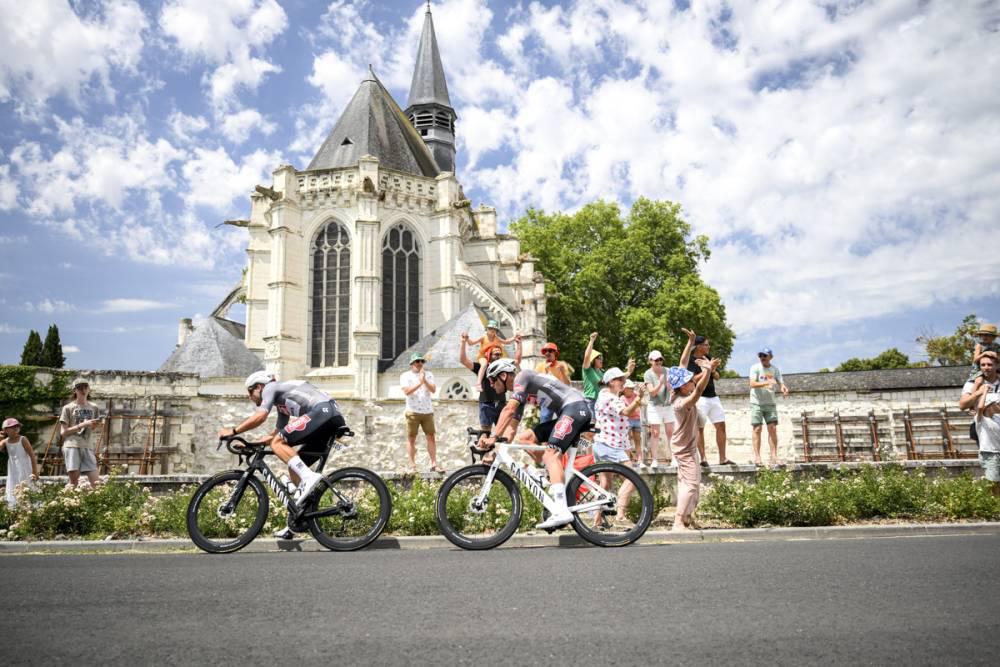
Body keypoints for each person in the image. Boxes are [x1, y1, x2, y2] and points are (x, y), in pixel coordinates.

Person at [219, 372, 347, 539]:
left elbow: (261, 416)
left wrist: (233, 431)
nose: (249, 397)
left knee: (282, 447)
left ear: (259, 386)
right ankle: (297, 522)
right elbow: (277, 434)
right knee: (294, 468)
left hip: (323, 411)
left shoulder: (271, 387)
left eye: (250, 392)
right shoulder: (282, 404)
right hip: (330, 416)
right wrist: (251, 443)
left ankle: (308, 478)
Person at [483, 360, 593, 530]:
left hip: (575, 408)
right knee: (525, 438)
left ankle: (561, 510)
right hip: (568, 411)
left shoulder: (523, 377)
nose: (491, 385)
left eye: (492, 380)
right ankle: (553, 481)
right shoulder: (520, 393)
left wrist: (492, 436)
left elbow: (508, 410)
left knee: (551, 454)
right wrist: (494, 451)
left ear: (504, 375)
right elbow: (511, 431)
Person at [668, 350, 720, 532]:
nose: (693, 381)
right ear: (683, 386)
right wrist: (706, 371)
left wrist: (690, 345)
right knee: (690, 484)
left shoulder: (678, 393)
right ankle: (678, 521)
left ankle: (688, 518)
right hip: (683, 449)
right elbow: (698, 391)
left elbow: (683, 367)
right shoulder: (682, 403)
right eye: (690, 380)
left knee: (691, 483)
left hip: (687, 447)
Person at [592, 368, 643, 527]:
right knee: (632, 478)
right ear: (612, 382)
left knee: (605, 484)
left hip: (602, 443)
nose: (623, 382)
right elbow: (627, 412)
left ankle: (597, 520)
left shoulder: (604, 394)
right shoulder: (611, 399)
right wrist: (638, 399)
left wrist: (627, 373)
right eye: (620, 380)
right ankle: (620, 515)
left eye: (623, 380)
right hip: (611, 445)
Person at [460, 331, 523, 433]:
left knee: (501, 433)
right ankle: (485, 448)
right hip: (486, 403)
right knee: (486, 432)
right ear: (489, 355)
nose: (498, 356)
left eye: (500, 354)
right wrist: (463, 343)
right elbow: (463, 360)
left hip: (501, 403)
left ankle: (497, 448)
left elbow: (517, 361)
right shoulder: (482, 367)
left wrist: (519, 344)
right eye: (496, 354)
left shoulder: (503, 367)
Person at [688, 335, 734, 466]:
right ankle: (703, 459)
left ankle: (723, 458)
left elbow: (717, 377)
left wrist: (712, 369)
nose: (709, 347)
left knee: (721, 425)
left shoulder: (707, 358)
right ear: (699, 346)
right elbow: (693, 380)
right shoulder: (690, 361)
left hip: (713, 396)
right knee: (699, 428)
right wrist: (707, 369)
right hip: (699, 397)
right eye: (706, 345)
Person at [400, 352, 444, 474]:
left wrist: (424, 380)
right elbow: (407, 391)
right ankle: (412, 465)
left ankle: (434, 464)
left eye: (421, 361)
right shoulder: (405, 376)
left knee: (431, 437)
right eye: (417, 361)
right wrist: (419, 382)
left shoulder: (428, 375)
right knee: (411, 438)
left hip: (427, 411)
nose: (420, 363)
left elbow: (433, 390)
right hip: (412, 411)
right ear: (412, 363)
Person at [749, 347, 790, 466]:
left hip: (770, 403)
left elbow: (781, 383)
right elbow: (752, 384)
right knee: (757, 429)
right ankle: (757, 457)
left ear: (770, 357)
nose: (762, 358)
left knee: (772, 428)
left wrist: (783, 388)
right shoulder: (755, 368)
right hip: (756, 402)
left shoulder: (775, 369)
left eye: (765, 355)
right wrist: (767, 382)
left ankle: (774, 456)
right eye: (760, 355)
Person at [59, 377, 102, 488]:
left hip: (87, 446)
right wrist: (83, 425)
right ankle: (69, 504)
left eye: (85, 387)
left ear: (89, 389)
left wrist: (94, 424)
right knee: (74, 483)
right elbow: (63, 432)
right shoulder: (68, 408)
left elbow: (93, 428)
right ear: (75, 390)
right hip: (72, 446)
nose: (83, 389)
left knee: (96, 484)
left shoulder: (94, 407)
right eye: (79, 387)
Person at [643, 349, 673, 469]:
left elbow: (672, 389)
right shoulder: (647, 374)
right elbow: (652, 393)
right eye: (656, 360)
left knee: (671, 432)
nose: (659, 362)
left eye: (660, 359)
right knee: (655, 433)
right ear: (650, 361)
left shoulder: (668, 371)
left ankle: (674, 459)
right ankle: (654, 460)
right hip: (654, 406)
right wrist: (661, 383)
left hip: (668, 405)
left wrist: (669, 385)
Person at [1, 418, 39, 508]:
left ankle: (30, 509)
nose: (15, 428)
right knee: (14, 487)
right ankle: (15, 509)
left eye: (17, 426)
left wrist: (35, 472)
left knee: (27, 487)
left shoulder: (23, 439)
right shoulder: (5, 441)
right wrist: (1, 438)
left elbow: (32, 456)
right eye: (12, 427)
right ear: (5, 430)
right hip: (13, 470)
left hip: (25, 468)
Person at [468, 319, 515, 391]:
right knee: (484, 365)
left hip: (492, 357)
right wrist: (466, 339)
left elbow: (506, 342)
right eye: (490, 329)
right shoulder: (483, 338)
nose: (492, 330)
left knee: (498, 368)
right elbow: (471, 343)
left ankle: (494, 382)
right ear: (487, 330)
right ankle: (478, 384)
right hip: (483, 356)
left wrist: (514, 338)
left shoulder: (497, 338)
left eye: (494, 329)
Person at [533, 342, 574, 422]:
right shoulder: (540, 366)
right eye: (545, 351)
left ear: (555, 353)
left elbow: (567, 384)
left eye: (550, 351)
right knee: (545, 420)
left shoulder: (562, 364)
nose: (547, 353)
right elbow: (536, 383)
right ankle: (544, 434)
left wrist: (562, 372)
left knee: (564, 420)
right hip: (546, 397)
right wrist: (546, 371)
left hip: (560, 397)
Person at [973, 388, 1000, 497]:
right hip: (989, 453)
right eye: (997, 404)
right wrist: (984, 391)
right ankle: (994, 503)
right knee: (993, 481)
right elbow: (980, 407)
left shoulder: (997, 418)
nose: (998, 406)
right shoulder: (981, 419)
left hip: (998, 452)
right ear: (989, 406)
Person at [622, 380, 644, 464]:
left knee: (638, 441)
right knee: (627, 441)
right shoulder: (622, 398)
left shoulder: (635, 395)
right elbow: (627, 413)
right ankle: (628, 461)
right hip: (627, 421)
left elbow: (641, 404)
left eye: (632, 388)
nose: (631, 389)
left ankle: (640, 460)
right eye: (630, 388)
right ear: (624, 389)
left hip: (637, 420)